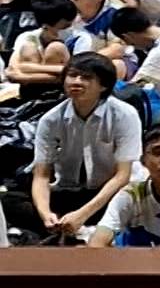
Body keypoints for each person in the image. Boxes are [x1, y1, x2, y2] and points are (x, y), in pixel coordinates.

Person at [22, 53, 141, 242]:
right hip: (71, 190)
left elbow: (122, 176)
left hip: (111, 192)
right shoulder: (50, 120)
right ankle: (61, 227)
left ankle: (77, 228)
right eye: (72, 75)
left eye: (86, 77)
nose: (76, 82)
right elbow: (42, 175)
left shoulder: (125, 115)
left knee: (133, 205)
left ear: (103, 86)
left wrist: (83, 214)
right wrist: (46, 214)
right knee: (11, 201)